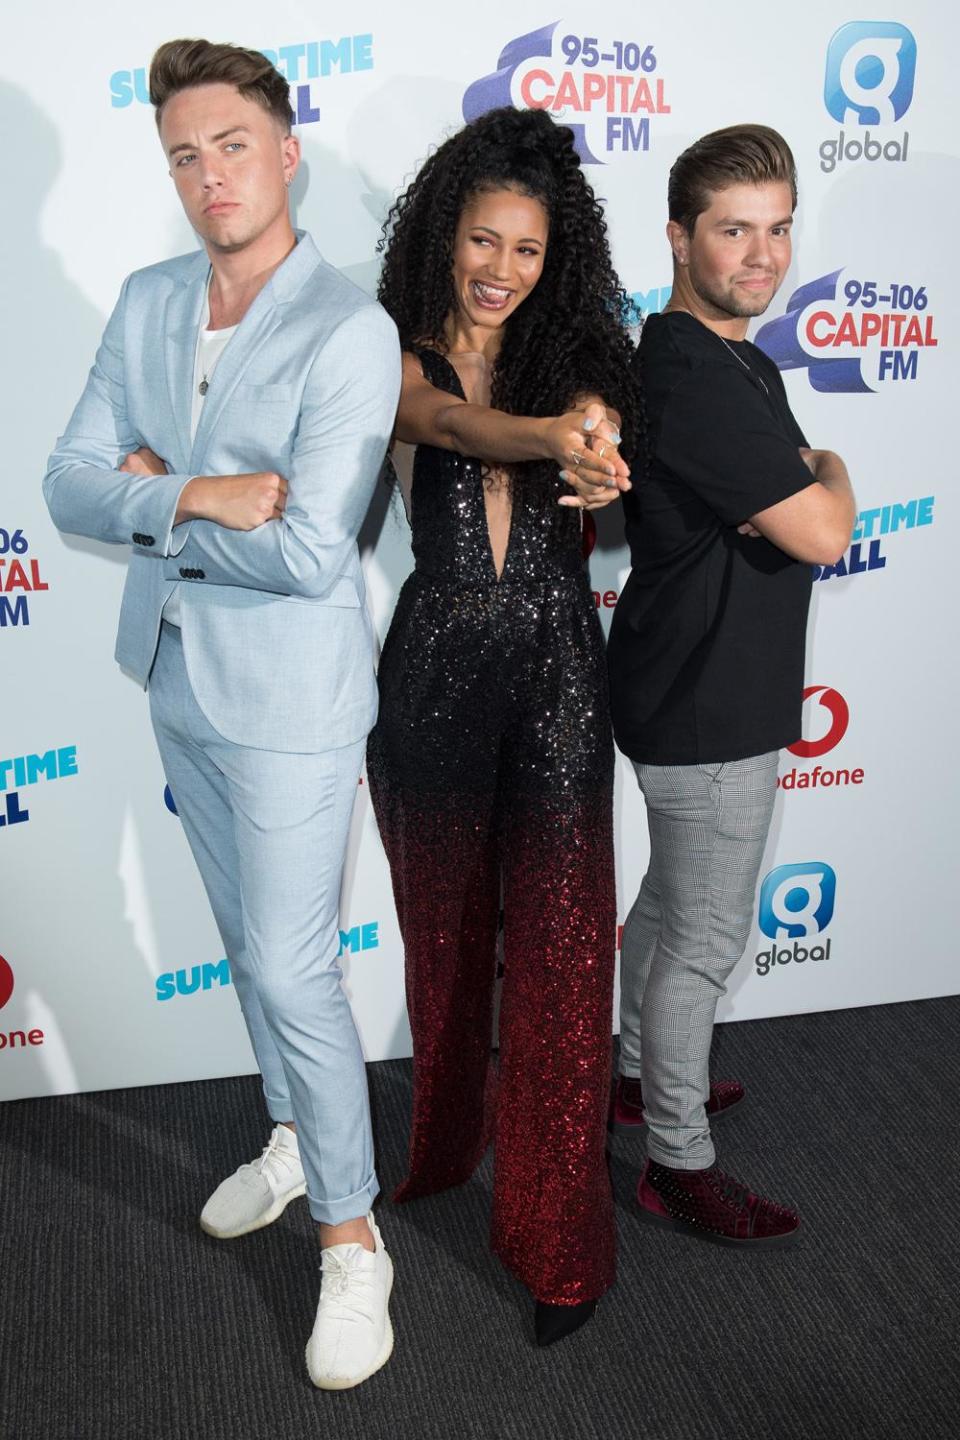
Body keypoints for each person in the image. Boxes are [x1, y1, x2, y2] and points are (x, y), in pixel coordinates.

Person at [42, 39, 401, 1389]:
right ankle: (296, 1135)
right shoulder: (142, 302)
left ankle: (353, 1237)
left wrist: (152, 500)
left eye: (231, 144)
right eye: (184, 154)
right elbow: (72, 488)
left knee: (297, 969)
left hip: (295, 705)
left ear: (286, 147)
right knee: (247, 946)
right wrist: (191, 495)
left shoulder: (348, 330)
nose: (209, 175)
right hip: (178, 679)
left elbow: (313, 555)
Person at [365, 105, 636, 1345]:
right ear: (444, 235)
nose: (502, 271)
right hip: (428, 676)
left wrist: (594, 444)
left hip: (557, 678)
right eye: (485, 241)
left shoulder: (577, 353)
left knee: (569, 964)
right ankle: (443, 1147)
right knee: (445, 947)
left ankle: (558, 1242)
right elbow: (443, 426)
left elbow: (595, 421)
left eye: (527, 250)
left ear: (554, 257)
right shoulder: (387, 353)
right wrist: (545, 443)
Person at [607, 124, 855, 1246]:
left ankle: (631, 1076)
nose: (762, 255)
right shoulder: (693, 372)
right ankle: (677, 1158)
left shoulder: (729, 355)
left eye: (779, 227)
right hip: (706, 700)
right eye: (734, 230)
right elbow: (820, 525)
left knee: (669, 908)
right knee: (705, 939)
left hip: (704, 686)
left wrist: (811, 484)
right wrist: (838, 474)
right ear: (677, 236)